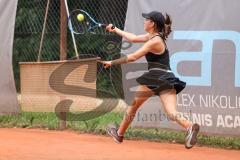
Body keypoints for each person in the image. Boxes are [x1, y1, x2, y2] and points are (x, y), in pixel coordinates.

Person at [101, 11, 200, 149]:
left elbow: (134, 57)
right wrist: (115, 29)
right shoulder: (154, 37)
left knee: (133, 107)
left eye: (146, 19)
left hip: (155, 77)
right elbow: (134, 38)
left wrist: (112, 62)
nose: (144, 21)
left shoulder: (154, 41)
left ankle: (119, 134)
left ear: (152, 23)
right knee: (171, 112)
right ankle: (189, 126)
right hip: (167, 77)